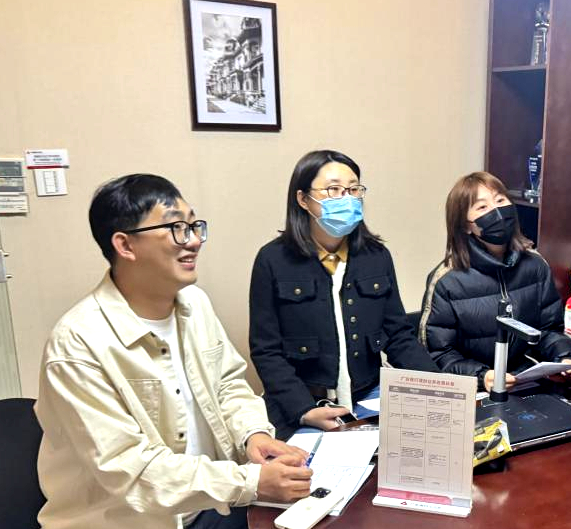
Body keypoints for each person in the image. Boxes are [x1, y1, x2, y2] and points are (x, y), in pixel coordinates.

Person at [34, 174, 313, 529]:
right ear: (125, 245)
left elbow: (228, 384)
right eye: (176, 228)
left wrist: (252, 434)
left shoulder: (195, 304)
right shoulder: (77, 344)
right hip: (129, 522)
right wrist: (249, 482)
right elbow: (132, 471)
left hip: (208, 505)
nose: (193, 240)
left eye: (194, 226)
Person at [249, 150, 439, 439]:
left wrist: (440, 387)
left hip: (368, 397)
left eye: (353, 189)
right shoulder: (273, 260)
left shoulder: (376, 256)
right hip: (302, 404)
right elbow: (266, 351)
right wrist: (304, 409)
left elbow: (399, 335)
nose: (346, 198)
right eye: (334, 190)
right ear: (303, 199)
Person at [420, 171, 571, 392]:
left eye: (500, 200)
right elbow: (438, 354)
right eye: (482, 207)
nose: (496, 212)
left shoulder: (535, 265)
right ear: (466, 225)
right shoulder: (447, 281)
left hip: (525, 381)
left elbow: (548, 330)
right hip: (475, 390)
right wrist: (482, 377)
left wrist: (565, 356)